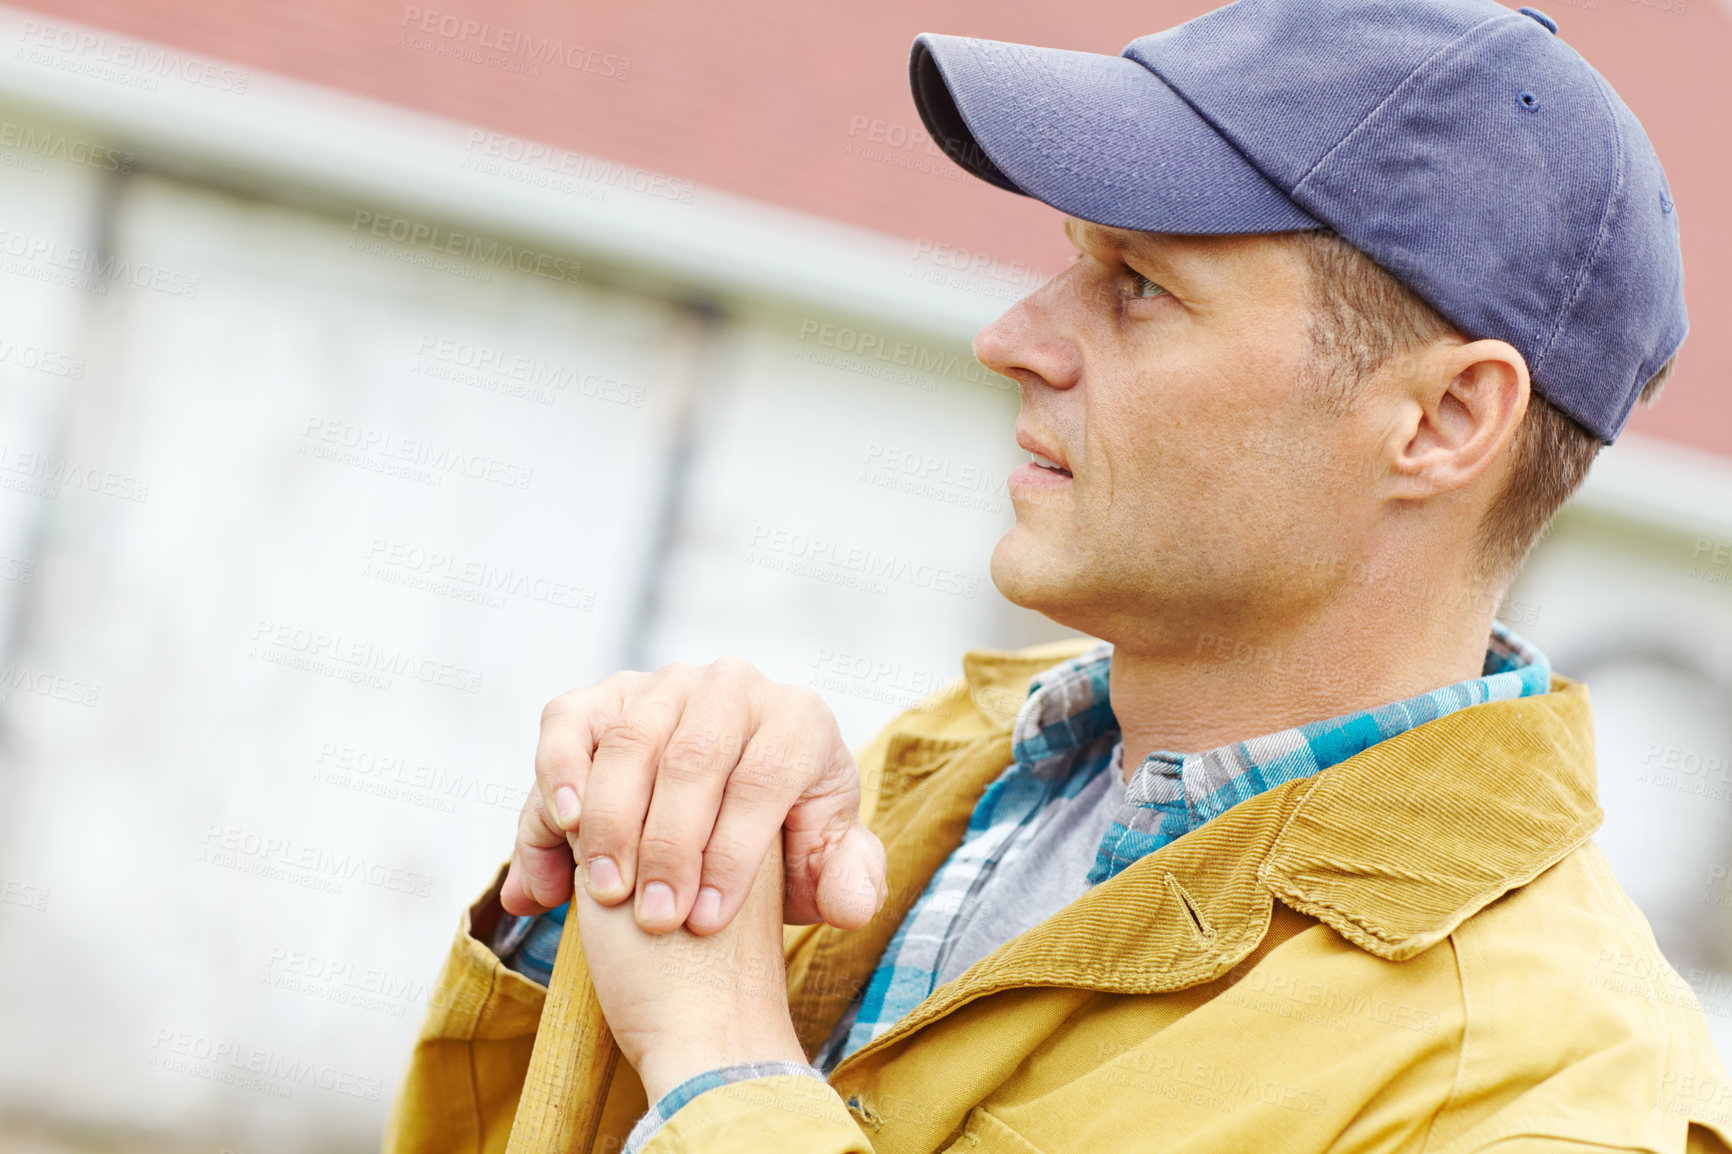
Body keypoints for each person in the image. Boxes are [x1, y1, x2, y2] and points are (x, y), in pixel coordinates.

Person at [386, 0, 1732, 1149]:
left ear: (1442, 423)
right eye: (1069, 261)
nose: (1012, 336)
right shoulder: (935, 768)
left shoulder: (1558, 1091)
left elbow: (721, 1076)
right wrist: (619, 884)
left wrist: (727, 1068)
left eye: (1139, 285)